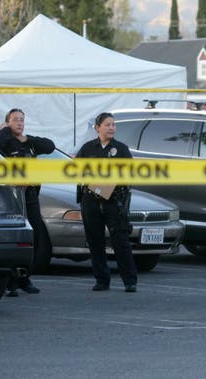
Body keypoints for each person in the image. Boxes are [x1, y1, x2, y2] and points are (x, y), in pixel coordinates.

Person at [0, 108, 55, 297]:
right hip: (11, 196)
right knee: (15, 238)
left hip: (30, 195)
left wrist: (27, 139)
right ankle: (10, 282)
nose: (19, 123)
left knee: (32, 236)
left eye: (21, 120)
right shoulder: (4, 140)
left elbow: (50, 146)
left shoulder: (29, 142)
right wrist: (5, 131)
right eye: (15, 120)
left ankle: (25, 279)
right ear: (7, 123)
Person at [75, 112, 138, 293]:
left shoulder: (121, 149)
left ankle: (129, 281)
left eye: (113, 125)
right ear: (97, 127)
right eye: (107, 124)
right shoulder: (87, 149)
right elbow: (76, 171)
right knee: (95, 241)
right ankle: (102, 280)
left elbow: (130, 173)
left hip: (114, 201)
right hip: (91, 199)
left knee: (121, 241)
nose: (111, 128)